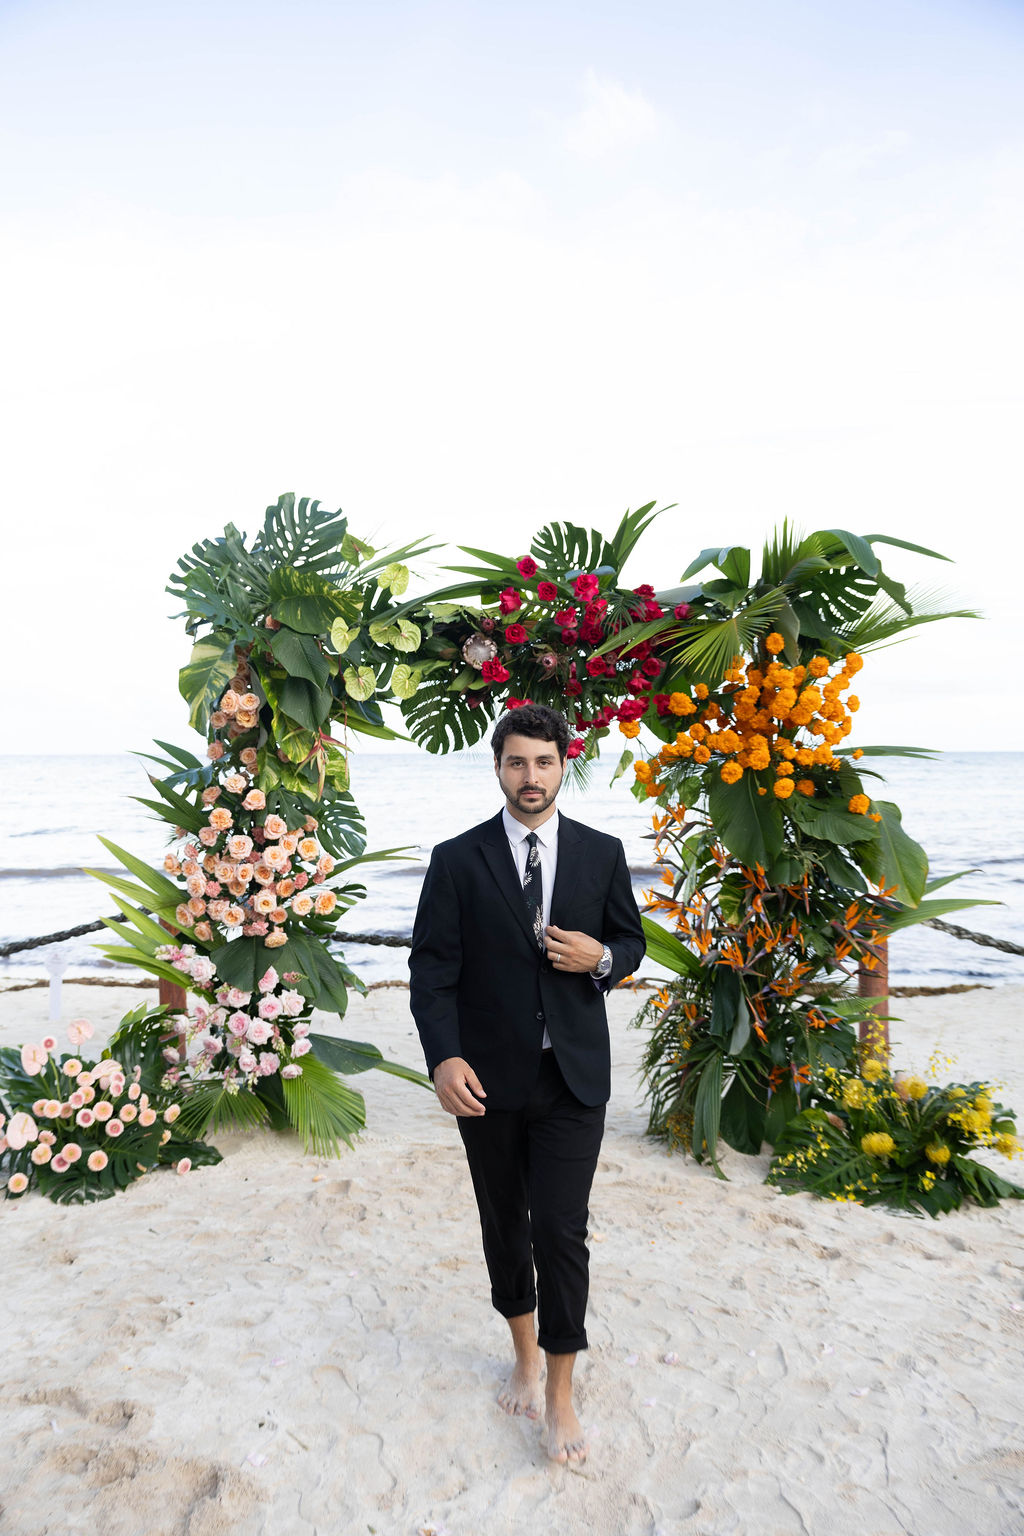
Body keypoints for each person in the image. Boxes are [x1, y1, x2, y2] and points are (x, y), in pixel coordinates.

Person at [409, 703, 645, 1464]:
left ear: (563, 765)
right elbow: (431, 973)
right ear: (498, 768)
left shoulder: (602, 852)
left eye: (544, 762)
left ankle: (562, 1392)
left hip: (573, 1077)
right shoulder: (457, 859)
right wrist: (443, 1058)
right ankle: (522, 1356)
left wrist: (602, 960)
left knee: (561, 1229)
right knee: (505, 1222)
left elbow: (631, 940)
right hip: (486, 1080)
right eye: (517, 762)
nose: (531, 776)